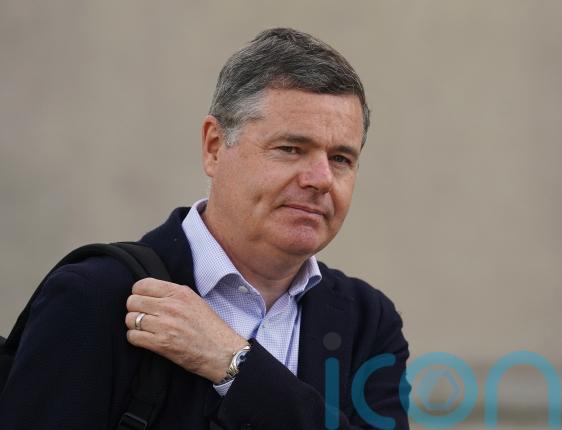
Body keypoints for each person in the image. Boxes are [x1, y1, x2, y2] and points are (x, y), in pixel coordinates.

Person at [0, 28, 409, 429]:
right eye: (290, 149)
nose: (320, 179)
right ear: (214, 147)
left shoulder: (369, 322)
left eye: (341, 158)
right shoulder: (96, 297)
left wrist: (233, 363)